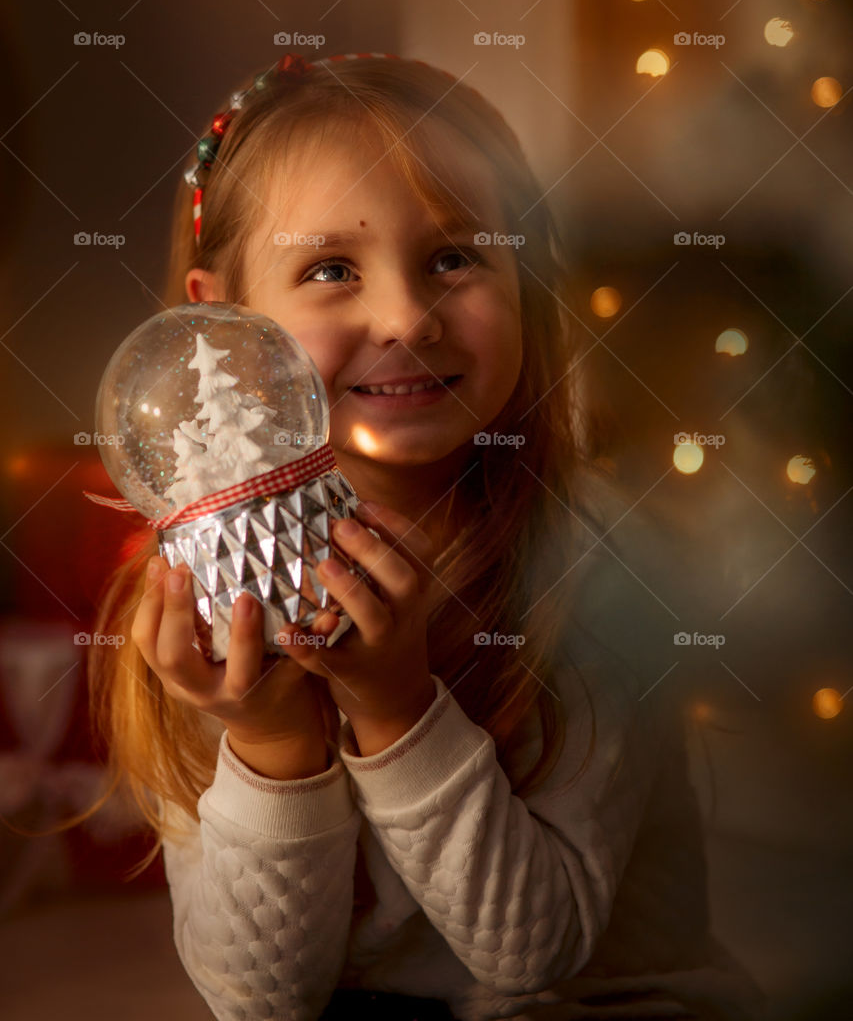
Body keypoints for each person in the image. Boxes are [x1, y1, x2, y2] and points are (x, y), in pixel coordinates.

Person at [86, 53, 770, 1021]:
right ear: (223, 320)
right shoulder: (203, 604)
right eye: (330, 269)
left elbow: (534, 951)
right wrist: (272, 738)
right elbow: (263, 1000)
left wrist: (395, 705)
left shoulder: (595, 566)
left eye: (453, 256)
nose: (406, 318)